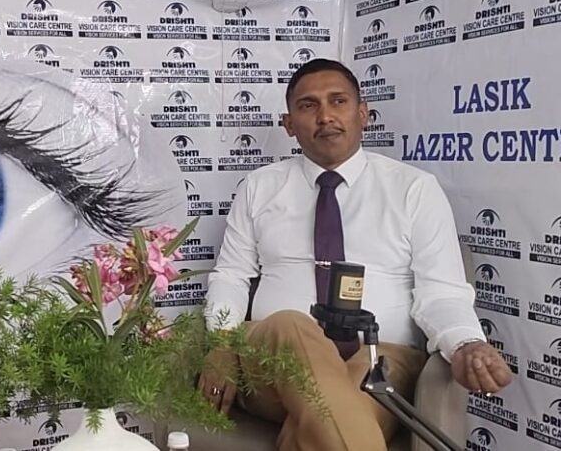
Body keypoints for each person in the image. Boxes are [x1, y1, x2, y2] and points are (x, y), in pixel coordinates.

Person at [198, 59, 512, 451]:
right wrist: (222, 344)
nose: (325, 116)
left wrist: (465, 342)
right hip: (273, 362)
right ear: (289, 124)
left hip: (380, 359)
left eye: (339, 101)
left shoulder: (414, 189)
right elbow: (231, 275)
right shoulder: (259, 187)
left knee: (334, 413)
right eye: (308, 105)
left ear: (363, 113)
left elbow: (442, 291)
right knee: (292, 326)